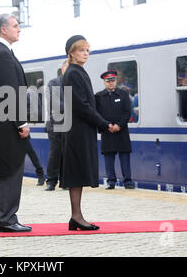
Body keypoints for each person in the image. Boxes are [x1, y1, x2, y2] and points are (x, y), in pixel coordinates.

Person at [0, 13, 31, 233]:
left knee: (9, 170)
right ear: (3, 29)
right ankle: (6, 218)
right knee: (12, 169)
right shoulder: (1, 54)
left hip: (2, 121)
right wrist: (21, 122)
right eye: (15, 25)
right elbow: (9, 92)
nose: (19, 29)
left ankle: (5, 216)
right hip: (8, 123)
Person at [60, 35, 113, 231]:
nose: (85, 53)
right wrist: (103, 123)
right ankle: (76, 216)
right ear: (71, 53)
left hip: (81, 128)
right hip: (77, 130)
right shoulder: (73, 73)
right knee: (77, 172)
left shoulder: (78, 71)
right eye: (81, 50)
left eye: (88, 50)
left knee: (78, 172)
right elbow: (81, 105)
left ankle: (76, 216)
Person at [95, 70, 134, 189]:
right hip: (107, 132)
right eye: (108, 81)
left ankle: (128, 181)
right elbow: (96, 114)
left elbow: (127, 112)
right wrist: (107, 125)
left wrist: (119, 125)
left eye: (113, 81)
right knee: (108, 157)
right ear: (104, 82)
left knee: (124, 156)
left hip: (121, 131)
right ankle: (111, 181)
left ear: (116, 81)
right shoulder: (98, 96)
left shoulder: (123, 94)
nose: (111, 83)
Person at [45, 60, 69, 191]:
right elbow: (54, 103)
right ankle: (51, 181)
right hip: (55, 124)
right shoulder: (53, 83)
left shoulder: (75, 84)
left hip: (70, 124)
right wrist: (73, 107)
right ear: (62, 68)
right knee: (55, 153)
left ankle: (65, 181)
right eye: (68, 66)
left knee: (67, 153)